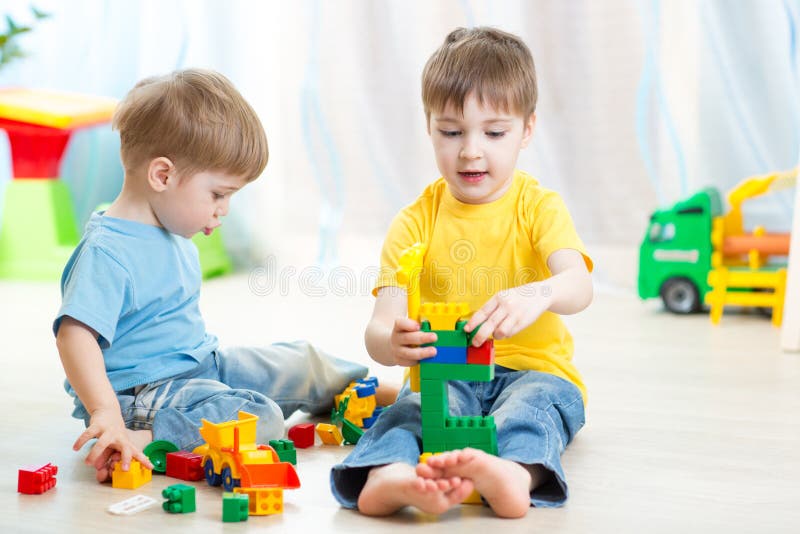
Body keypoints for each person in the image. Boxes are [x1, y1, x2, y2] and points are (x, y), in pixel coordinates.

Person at [54, 69, 369, 483]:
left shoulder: (167, 226)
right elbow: (74, 334)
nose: (223, 209)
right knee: (262, 418)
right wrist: (105, 411)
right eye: (218, 195)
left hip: (202, 364)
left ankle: (363, 388)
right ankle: (146, 438)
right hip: (144, 395)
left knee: (300, 360)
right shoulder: (107, 253)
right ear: (162, 176)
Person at [330, 27, 593, 518]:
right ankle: (388, 476)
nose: (471, 150)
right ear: (429, 126)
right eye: (451, 132)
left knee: (534, 409)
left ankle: (513, 473)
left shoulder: (539, 207)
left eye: (494, 133)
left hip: (534, 370)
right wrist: (392, 343)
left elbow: (578, 286)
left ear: (527, 129)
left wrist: (538, 293)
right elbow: (380, 324)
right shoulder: (413, 223)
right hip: (444, 376)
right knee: (410, 411)